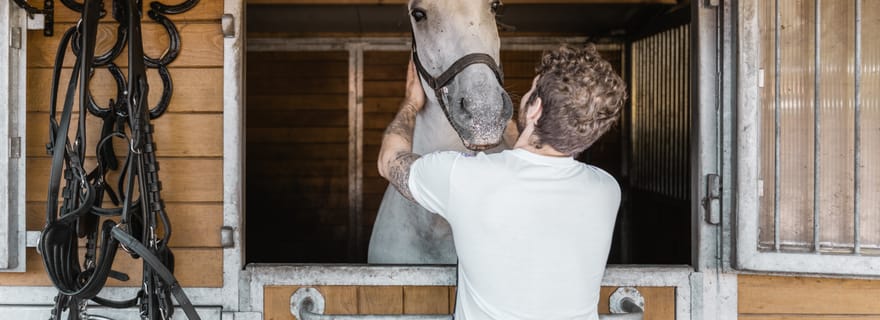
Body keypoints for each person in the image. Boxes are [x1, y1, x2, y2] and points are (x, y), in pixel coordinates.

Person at [378, 44, 627, 320]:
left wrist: (411, 103)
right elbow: (536, 150)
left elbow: (389, 161)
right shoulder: (606, 190)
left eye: (532, 91)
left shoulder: (464, 178)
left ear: (535, 109)